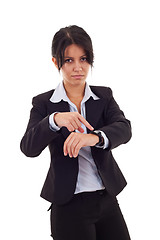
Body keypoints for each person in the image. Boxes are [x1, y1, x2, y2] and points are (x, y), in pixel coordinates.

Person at [20, 25, 132, 240]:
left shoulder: (103, 96)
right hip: (68, 205)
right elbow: (28, 148)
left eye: (83, 59)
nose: (78, 67)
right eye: (69, 60)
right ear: (56, 62)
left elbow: (124, 128)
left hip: (106, 199)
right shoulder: (44, 103)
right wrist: (54, 120)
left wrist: (93, 137)